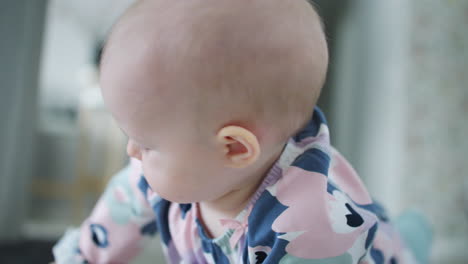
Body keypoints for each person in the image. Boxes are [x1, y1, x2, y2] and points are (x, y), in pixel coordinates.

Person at [53, 0, 430, 263]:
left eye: (148, 144)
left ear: (233, 148)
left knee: (405, 246)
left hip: (374, 252)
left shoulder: (308, 230)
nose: (132, 151)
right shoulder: (168, 169)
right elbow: (113, 221)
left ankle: (414, 232)